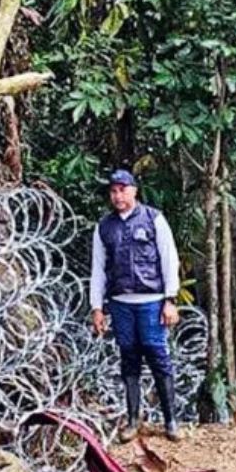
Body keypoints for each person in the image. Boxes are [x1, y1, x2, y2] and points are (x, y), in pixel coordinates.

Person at [90, 169, 182, 442]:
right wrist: (97, 307)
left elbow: (169, 259)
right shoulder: (104, 227)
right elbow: (99, 269)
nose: (118, 196)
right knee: (128, 359)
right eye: (113, 191)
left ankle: (171, 420)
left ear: (134, 191)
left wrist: (170, 299)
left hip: (151, 301)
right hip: (120, 303)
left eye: (123, 190)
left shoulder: (154, 219)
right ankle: (132, 420)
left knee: (158, 357)